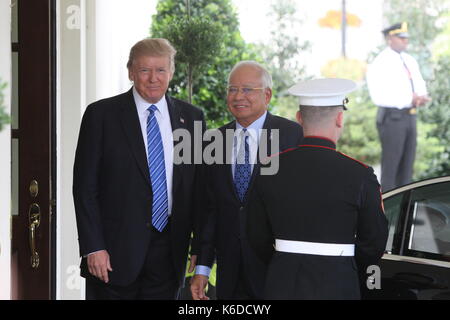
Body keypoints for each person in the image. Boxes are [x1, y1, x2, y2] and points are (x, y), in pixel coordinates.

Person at [73, 38, 205, 299]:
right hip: (111, 256)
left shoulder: (192, 118)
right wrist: (93, 247)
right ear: (131, 72)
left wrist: (199, 245)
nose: (153, 78)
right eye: (145, 70)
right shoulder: (101, 115)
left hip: (169, 253)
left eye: (160, 70)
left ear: (171, 72)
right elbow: (84, 188)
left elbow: (198, 187)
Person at [246, 78, 389, 299]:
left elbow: (256, 236)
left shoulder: (268, 168)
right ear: (340, 118)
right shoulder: (360, 174)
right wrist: (343, 263)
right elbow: (374, 242)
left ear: (299, 118)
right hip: (338, 285)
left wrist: (285, 259)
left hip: (282, 284)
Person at [190, 61, 303, 300]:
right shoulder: (213, 141)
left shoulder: (293, 136)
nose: (238, 96)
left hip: (278, 273)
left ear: (267, 95)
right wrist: (202, 269)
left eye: (247, 89)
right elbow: (209, 210)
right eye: (232, 89)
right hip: (231, 275)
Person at [366, 22, 431, 192]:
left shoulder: (409, 59)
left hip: (410, 115)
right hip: (392, 118)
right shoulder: (381, 62)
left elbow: (418, 82)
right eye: (401, 38)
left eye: (406, 38)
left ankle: (404, 211)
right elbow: (379, 95)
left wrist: (421, 96)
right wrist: (410, 98)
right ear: (390, 39)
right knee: (391, 167)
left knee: (407, 166)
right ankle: (387, 209)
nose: (405, 41)